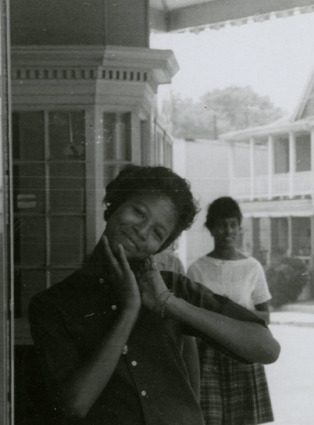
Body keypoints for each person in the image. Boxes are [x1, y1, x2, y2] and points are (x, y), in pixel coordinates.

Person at [29, 165, 280, 425]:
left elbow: (267, 349)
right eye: (138, 212)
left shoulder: (171, 288)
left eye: (158, 232)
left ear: (162, 245)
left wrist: (169, 303)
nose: (142, 230)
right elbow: (74, 406)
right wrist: (129, 312)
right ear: (114, 203)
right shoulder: (54, 305)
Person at [187, 197, 274, 425]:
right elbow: (189, 320)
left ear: (239, 227)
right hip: (207, 358)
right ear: (211, 228)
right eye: (221, 225)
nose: (228, 231)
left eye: (233, 225)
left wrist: (237, 319)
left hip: (244, 354)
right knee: (209, 419)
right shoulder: (197, 270)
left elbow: (265, 316)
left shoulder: (252, 267)